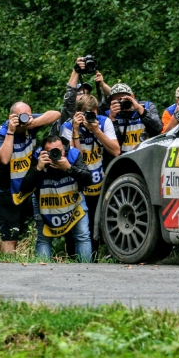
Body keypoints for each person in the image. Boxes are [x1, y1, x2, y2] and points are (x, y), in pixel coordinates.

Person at [0, 102, 61, 253]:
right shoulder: (1, 133)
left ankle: (2, 255)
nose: (25, 120)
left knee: (16, 231)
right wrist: (11, 131)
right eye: (22, 117)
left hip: (22, 187)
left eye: (28, 115)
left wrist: (34, 123)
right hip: (4, 189)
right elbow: (4, 159)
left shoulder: (30, 123)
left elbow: (56, 114)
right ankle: (7, 264)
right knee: (10, 235)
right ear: (11, 117)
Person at [60, 94, 120, 255]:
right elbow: (74, 159)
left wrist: (96, 130)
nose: (89, 117)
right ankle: (72, 258)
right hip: (76, 183)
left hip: (98, 183)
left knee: (94, 225)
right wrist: (76, 131)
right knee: (74, 225)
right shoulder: (68, 126)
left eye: (92, 113)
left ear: (96, 111)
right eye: (85, 114)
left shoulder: (103, 121)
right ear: (77, 113)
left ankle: (92, 259)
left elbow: (116, 151)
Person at [19, 134, 93, 262]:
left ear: (64, 149)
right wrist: (38, 168)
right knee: (43, 239)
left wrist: (69, 168)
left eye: (59, 151)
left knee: (83, 236)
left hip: (73, 202)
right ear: (44, 152)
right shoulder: (37, 156)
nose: (55, 155)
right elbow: (25, 188)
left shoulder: (73, 154)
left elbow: (88, 180)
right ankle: (42, 269)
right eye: (51, 152)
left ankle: (85, 268)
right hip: (45, 203)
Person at [105, 83, 163, 153]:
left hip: (148, 154)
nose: (121, 103)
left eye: (123, 99)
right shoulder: (110, 114)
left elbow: (158, 128)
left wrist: (140, 110)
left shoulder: (147, 106)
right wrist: (112, 120)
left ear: (132, 96)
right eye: (118, 101)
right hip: (126, 157)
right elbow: (114, 146)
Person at [60, 56, 105, 124]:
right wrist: (76, 70)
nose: (84, 95)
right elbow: (70, 97)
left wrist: (103, 85)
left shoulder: (96, 111)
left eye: (87, 93)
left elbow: (109, 100)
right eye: (80, 93)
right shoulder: (68, 113)